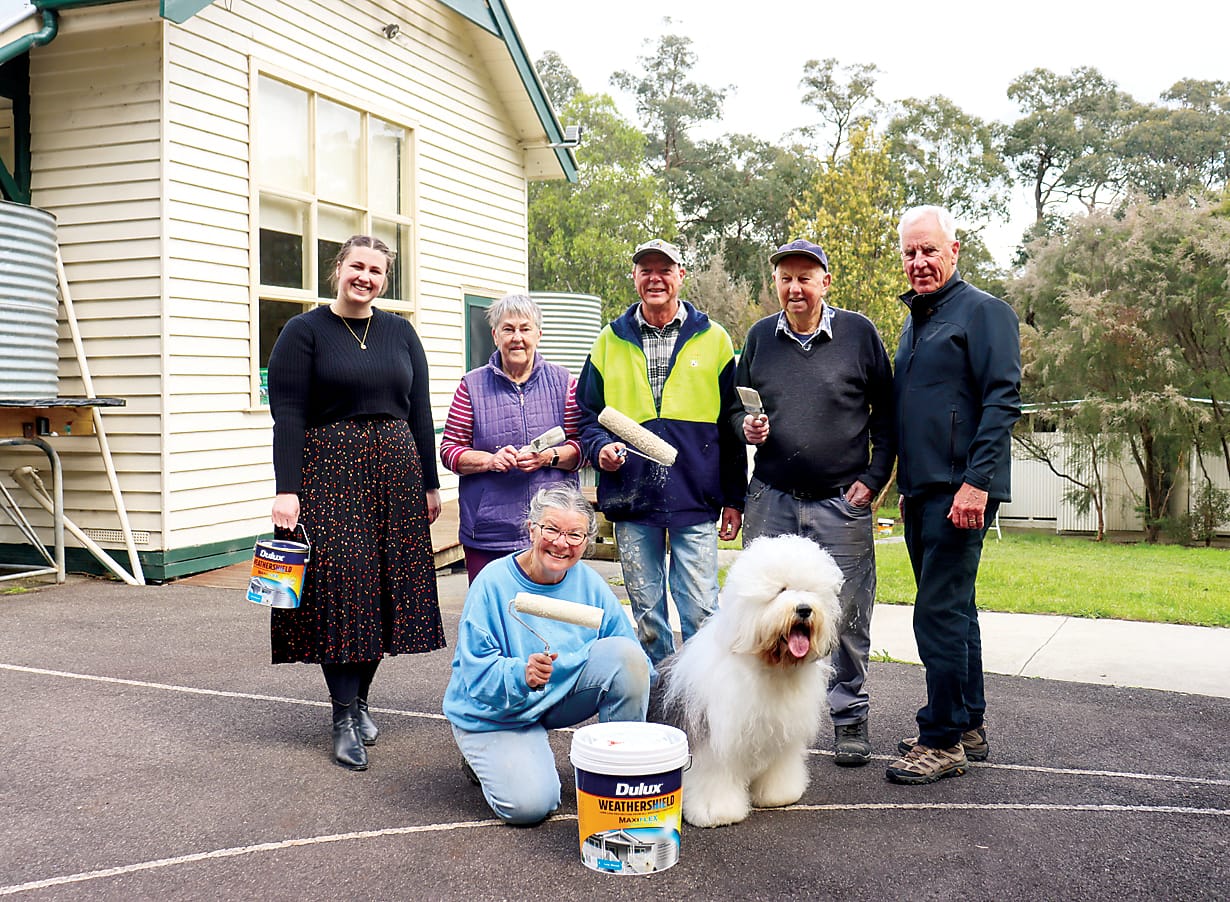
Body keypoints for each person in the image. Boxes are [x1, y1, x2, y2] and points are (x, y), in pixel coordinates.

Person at [266, 235, 445, 773]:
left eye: (377, 270)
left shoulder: (400, 332)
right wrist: (286, 488)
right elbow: (288, 415)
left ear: (385, 279)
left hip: (395, 473)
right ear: (338, 269)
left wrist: (430, 483)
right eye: (357, 266)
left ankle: (361, 700)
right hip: (330, 471)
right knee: (342, 589)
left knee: (384, 589)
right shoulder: (303, 332)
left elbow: (420, 411)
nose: (365, 277)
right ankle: (343, 716)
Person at [735, 238, 895, 768]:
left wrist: (874, 477)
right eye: (786, 278)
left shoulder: (859, 334)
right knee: (762, 612)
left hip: (840, 504)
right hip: (772, 498)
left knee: (846, 613)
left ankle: (848, 718)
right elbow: (733, 409)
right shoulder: (759, 338)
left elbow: (888, 414)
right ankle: (762, 721)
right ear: (776, 284)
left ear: (825, 282)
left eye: (805, 278)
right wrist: (746, 428)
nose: (795, 288)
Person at [886, 205, 1022, 785]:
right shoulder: (916, 323)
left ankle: (940, 739)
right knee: (956, 610)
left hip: (962, 489)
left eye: (929, 250)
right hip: (924, 490)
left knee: (936, 613)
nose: (919, 261)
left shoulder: (984, 312)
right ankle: (967, 724)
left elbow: (1002, 400)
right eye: (910, 252)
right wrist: (907, 485)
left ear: (954, 250)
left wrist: (977, 482)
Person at [576, 238, 746, 665]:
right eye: (646, 270)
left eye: (664, 270)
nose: (655, 279)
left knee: (702, 612)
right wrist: (600, 449)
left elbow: (731, 425)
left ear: (680, 276)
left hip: (696, 496)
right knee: (648, 616)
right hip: (632, 496)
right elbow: (587, 416)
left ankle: (703, 697)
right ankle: (659, 694)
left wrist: (734, 499)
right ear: (634, 277)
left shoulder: (714, 339)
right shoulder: (608, 341)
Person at [443, 484, 652, 826]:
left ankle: (618, 776)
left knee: (626, 657)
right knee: (530, 807)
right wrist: (521, 674)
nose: (561, 543)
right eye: (551, 529)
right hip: (496, 713)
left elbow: (632, 660)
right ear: (531, 529)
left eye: (574, 535)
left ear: (587, 541)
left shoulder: (589, 584)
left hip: (555, 696)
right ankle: (486, 758)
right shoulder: (492, 583)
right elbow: (476, 676)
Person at [439, 294, 582, 583]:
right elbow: (450, 451)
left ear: (538, 334)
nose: (517, 337)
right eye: (508, 329)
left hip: (552, 533)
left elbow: (582, 448)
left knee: (550, 608)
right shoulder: (471, 386)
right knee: (490, 607)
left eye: (525, 328)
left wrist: (547, 457)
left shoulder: (565, 382)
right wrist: (490, 461)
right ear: (495, 335)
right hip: (489, 532)